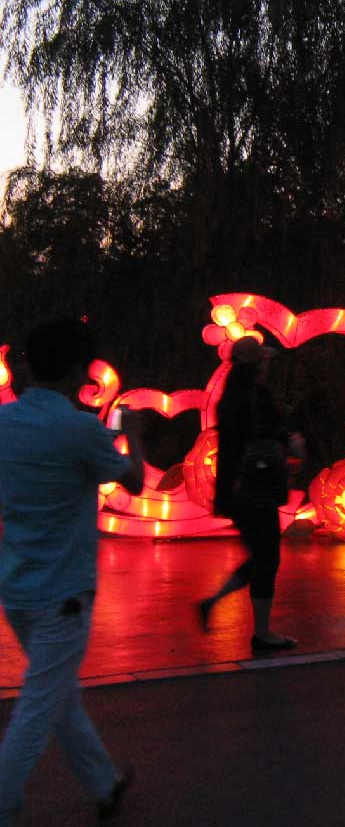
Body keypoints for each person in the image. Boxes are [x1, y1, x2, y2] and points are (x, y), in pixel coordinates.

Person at [0, 318, 145, 824]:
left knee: (56, 695)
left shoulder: (6, 422)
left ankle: (104, 785)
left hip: (16, 585)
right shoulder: (81, 428)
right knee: (38, 708)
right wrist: (133, 436)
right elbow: (134, 481)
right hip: (63, 591)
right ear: (76, 368)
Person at [199, 336, 305, 649]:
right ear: (257, 364)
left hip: (236, 489)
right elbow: (271, 432)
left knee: (261, 554)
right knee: (267, 556)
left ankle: (215, 602)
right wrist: (290, 444)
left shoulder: (229, 399)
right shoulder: (257, 398)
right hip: (260, 486)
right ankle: (261, 631)